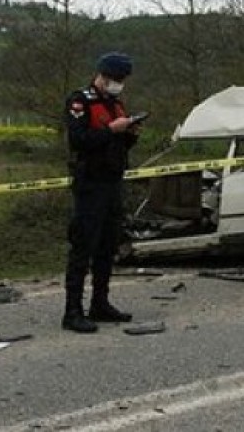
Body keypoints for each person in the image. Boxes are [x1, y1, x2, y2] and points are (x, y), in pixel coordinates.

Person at [62, 52, 141, 333]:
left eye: (123, 80)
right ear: (103, 76)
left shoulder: (116, 104)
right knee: (84, 246)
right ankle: (72, 311)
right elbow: (79, 140)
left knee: (108, 246)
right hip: (90, 184)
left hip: (112, 182)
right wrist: (111, 130)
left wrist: (129, 133)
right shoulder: (80, 101)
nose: (120, 84)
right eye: (116, 79)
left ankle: (100, 303)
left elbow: (117, 145)